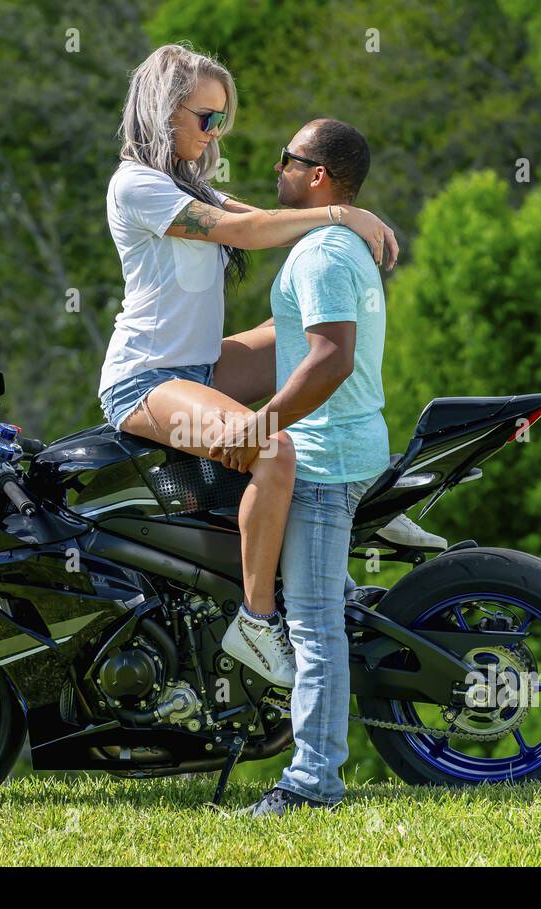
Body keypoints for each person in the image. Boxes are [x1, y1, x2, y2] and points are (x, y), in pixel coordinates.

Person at [99, 44, 397, 687]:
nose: (215, 134)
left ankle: (362, 488)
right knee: (273, 449)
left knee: (309, 340)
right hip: (146, 383)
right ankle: (258, 624)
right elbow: (254, 231)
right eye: (206, 118)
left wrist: (340, 232)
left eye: (221, 121)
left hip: (201, 368)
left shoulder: (188, 185)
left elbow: (271, 222)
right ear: (162, 112)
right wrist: (344, 212)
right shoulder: (140, 187)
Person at [210, 118, 390, 816]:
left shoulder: (320, 254)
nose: (275, 169)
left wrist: (262, 425)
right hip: (345, 444)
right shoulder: (337, 242)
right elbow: (284, 341)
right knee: (320, 609)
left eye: (288, 160)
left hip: (323, 457)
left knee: (314, 626)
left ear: (318, 175)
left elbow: (330, 357)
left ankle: (313, 784)